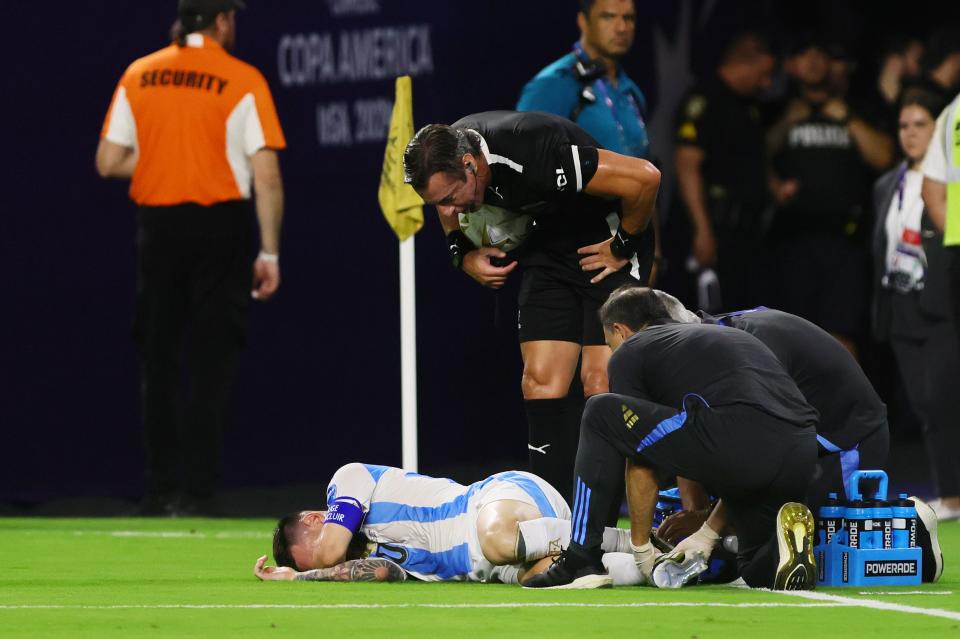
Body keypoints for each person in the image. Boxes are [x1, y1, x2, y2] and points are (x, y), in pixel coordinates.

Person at [403, 111, 660, 503]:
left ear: (470, 165)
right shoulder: (445, 155)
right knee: (540, 381)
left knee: (600, 383)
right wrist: (461, 253)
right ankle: (553, 519)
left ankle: (597, 530)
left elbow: (645, 177)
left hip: (605, 240)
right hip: (549, 247)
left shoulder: (533, 150)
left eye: (452, 198)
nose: (451, 211)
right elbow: (444, 205)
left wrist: (623, 244)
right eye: (439, 203)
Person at [96, 0, 286, 515]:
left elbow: (108, 160)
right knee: (212, 358)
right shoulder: (242, 79)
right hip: (220, 228)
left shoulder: (140, 73)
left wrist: (163, 160)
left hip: (158, 230)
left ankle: (159, 490)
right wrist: (269, 251)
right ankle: (199, 493)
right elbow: (265, 175)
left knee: (158, 359)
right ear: (222, 19)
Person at [524, 286, 820, 590]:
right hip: (800, 447)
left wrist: (641, 547)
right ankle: (779, 555)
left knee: (600, 412)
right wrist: (707, 533)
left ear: (620, 330)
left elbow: (641, 458)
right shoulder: (723, 339)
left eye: (609, 343)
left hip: (739, 437)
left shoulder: (632, 349)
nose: (612, 350)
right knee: (754, 566)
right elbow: (734, 441)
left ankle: (580, 558)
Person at [644, 294, 888, 523]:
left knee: (791, 546)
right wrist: (695, 514)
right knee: (673, 507)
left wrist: (707, 528)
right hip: (800, 445)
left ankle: (914, 518)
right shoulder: (709, 343)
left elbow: (762, 458)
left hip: (845, 444)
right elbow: (689, 438)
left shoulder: (747, 353)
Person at [254, 463, 646, 586]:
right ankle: (656, 564)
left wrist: (313, 566)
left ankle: (625, 539)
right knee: (550, 580)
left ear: (314, 519)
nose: (323, 565)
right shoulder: (372, 555)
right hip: (498, 563)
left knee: (495, 540)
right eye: (315, 569)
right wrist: (297, 579)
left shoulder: (349, 479)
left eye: (314, 559)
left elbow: (330, 550)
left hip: (496, 503)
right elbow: (380, 572)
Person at [766, 36, 894, 356]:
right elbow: (751, 160)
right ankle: (793, 407)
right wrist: (784, 125)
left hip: (844, 241)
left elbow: (884, 158)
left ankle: (843, 407)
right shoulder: (777, 109)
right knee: (788, 338)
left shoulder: (858, 108)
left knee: (841, 337)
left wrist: (846, 119)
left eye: (820, 53)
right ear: (791, 65)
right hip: (791, 237)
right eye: (803, 53)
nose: (812, 61)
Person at [878, 91, 960, 524]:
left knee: (942, 399)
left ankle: (953, 494)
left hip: (942, 303)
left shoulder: (950, 182)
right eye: (904, 126)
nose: (911, 134)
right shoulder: (888, 183)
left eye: (921, 125)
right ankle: (950, 493)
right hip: (901, 305)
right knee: (924, 406)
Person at [670, 32, 775, 312]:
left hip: (744, 235)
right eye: (763, 74)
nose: (767, 83)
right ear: (743, 64)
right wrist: (702, 230)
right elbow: (687, 165)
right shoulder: (705, 99)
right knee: (705, 319)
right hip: (713, 228)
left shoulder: (749, 106)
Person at [517, 0, 649, 160]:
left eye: (628, 18)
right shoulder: (553, 85)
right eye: (608, 17)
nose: (622, 28)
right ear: (583, 21)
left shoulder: (632, 92)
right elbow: (523, 162)